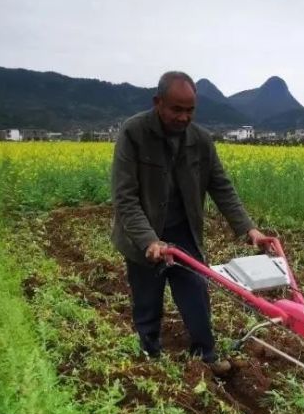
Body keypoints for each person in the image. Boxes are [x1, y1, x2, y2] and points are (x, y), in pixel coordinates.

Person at [111, 71, 272, 375]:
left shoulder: (200, 140)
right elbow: (125, 198)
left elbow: (221, 186)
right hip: (143, 235)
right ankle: (150, 357)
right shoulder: (134, 134)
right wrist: (149, 241)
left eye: (190, 110)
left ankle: (206, 356)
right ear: (158, 102)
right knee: (147, 301)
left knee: (196, 294)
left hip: (184, 233)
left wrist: (248, 228)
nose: (184, 117)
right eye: (176, 109)